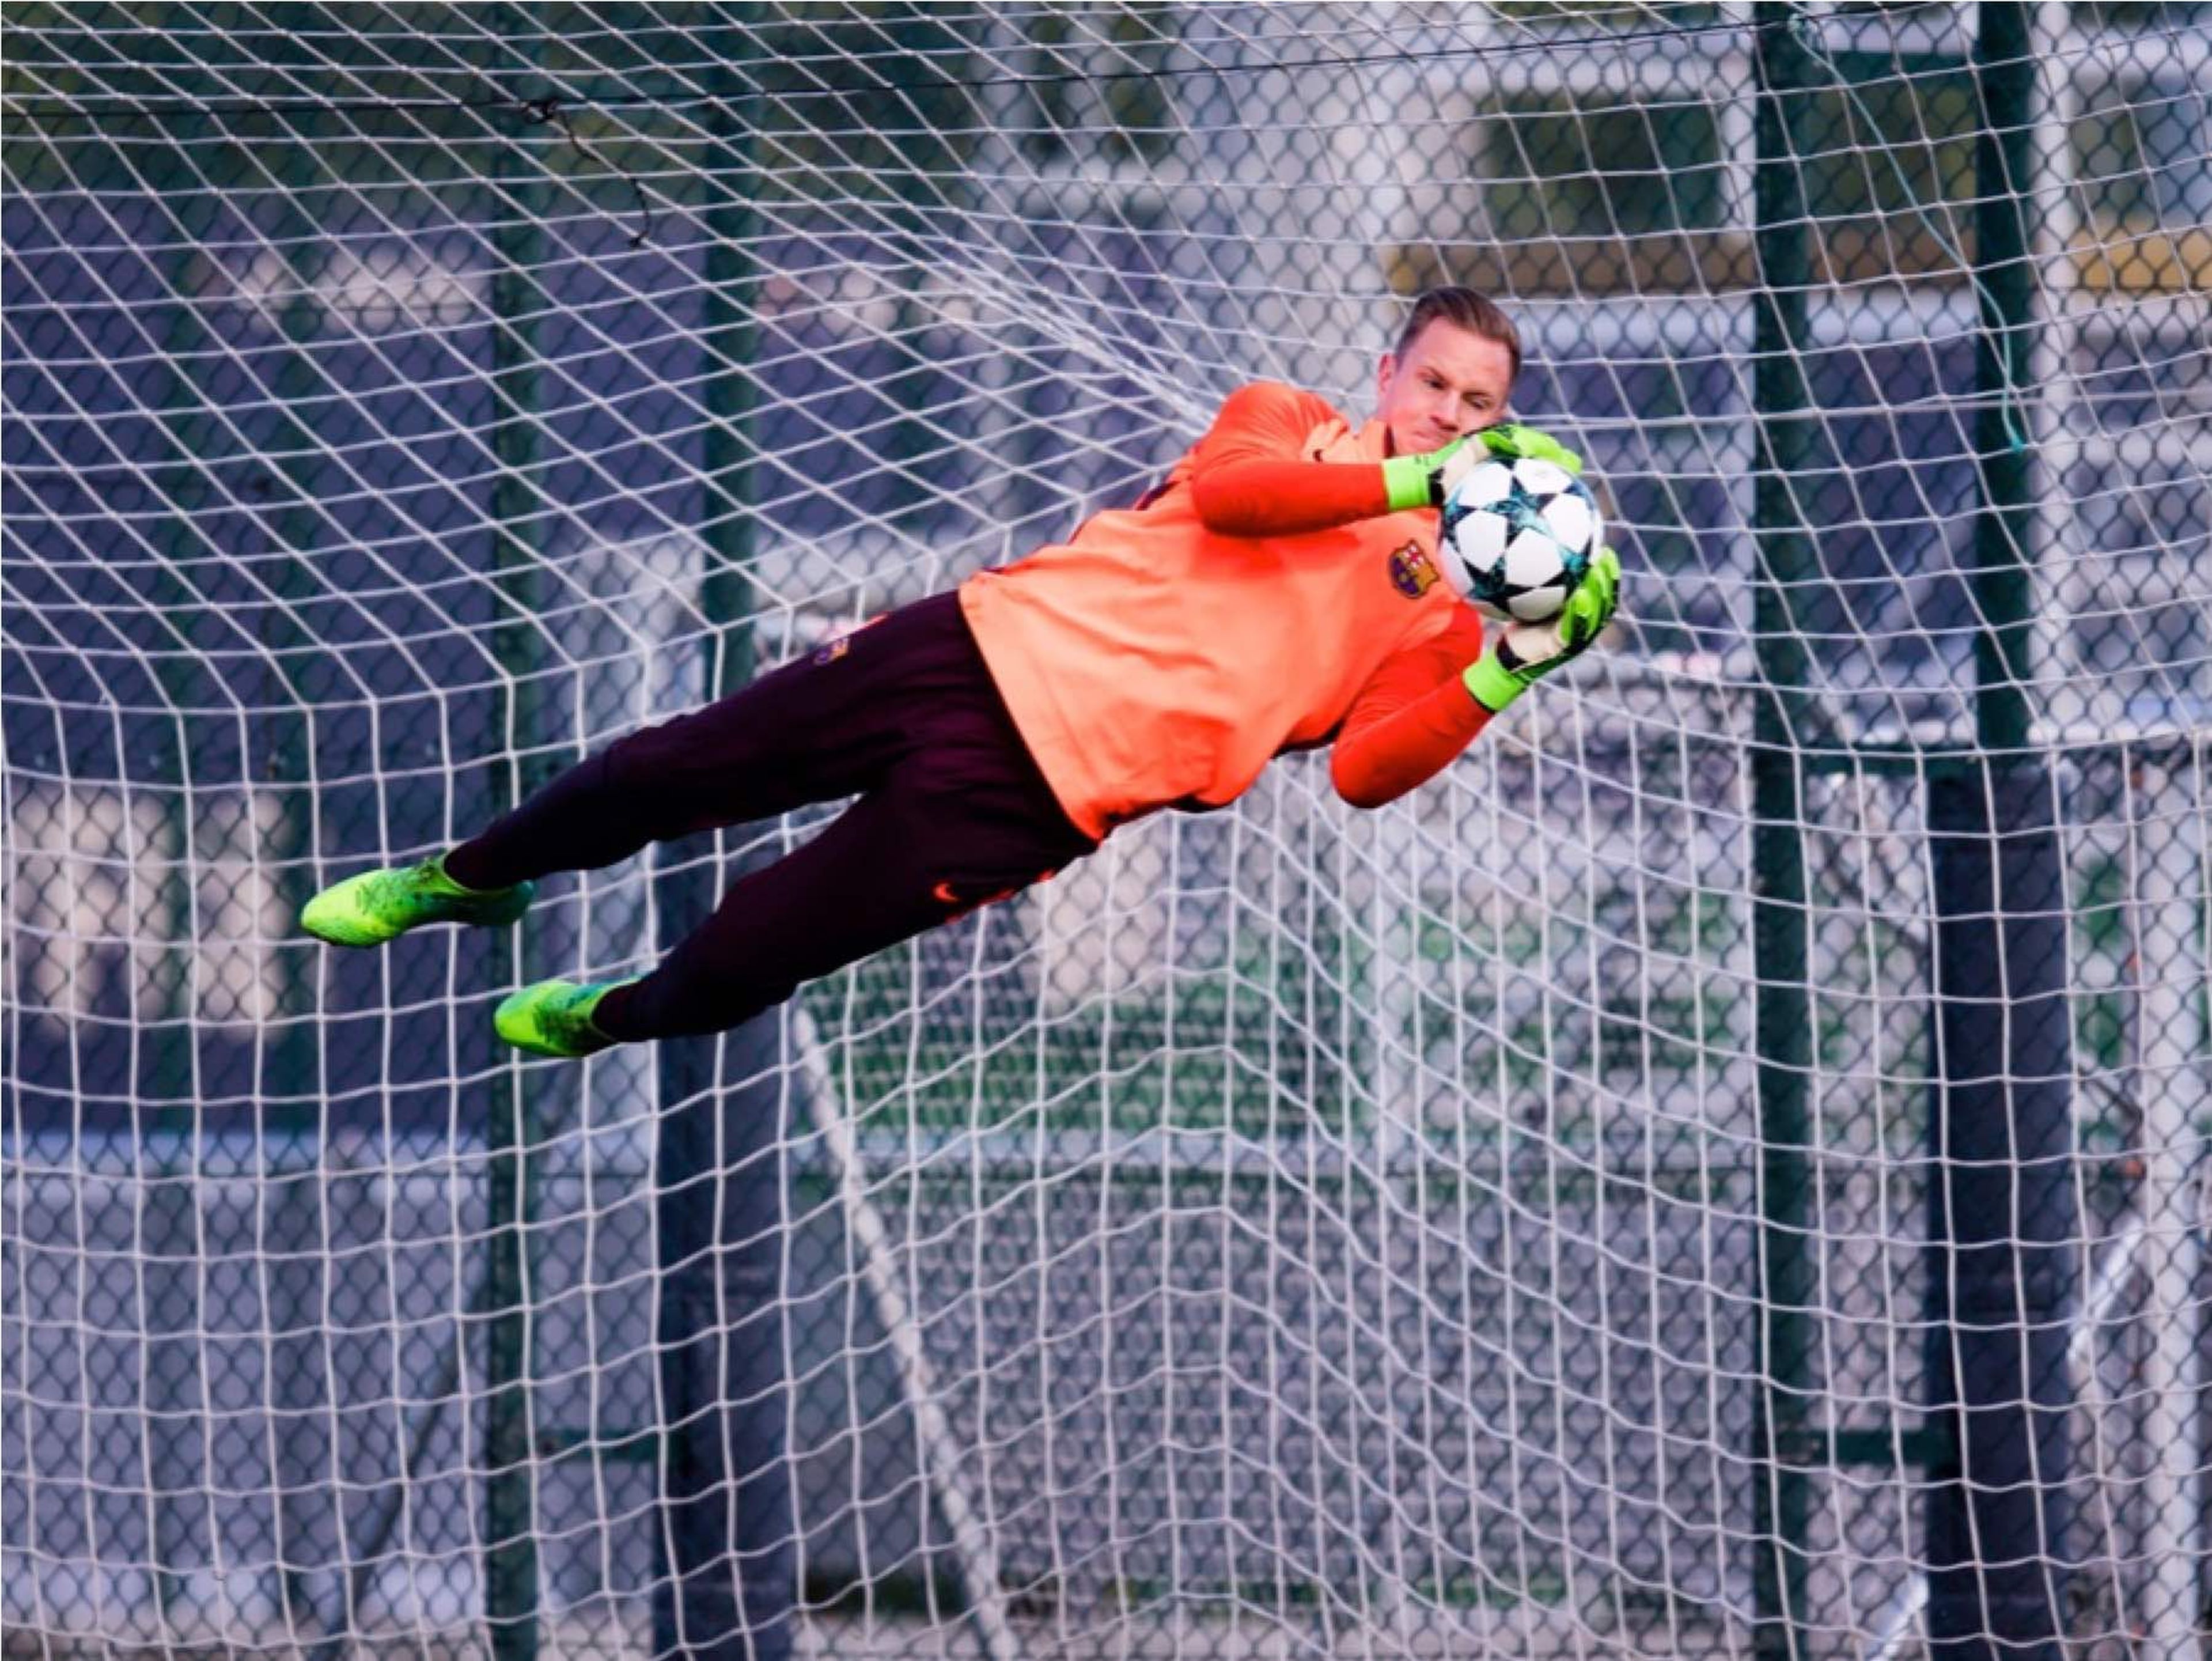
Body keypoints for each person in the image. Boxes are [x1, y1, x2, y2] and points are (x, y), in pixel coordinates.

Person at [301, 286, 1623, 1058]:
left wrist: (1514, 665)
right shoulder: (1291, 421)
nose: (1449, 415)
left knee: (751, 951)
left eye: (1478, 407)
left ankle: (613, 1015)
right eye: (1433, 385)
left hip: (1038, 797)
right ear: (1387, 372)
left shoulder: (1443, 620)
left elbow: (1364, 774)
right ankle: (465, 877)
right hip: (966, 650)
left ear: (1503, 425)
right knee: (666, 768)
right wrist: (1416, 477)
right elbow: (1236, 501)